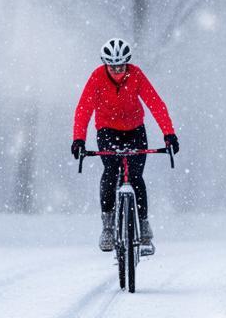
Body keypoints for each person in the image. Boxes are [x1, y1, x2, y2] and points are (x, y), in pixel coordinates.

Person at [72, 38, 179, 253]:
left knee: (136, 176)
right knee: (110, 172)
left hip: (135, 131)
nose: (117, 70)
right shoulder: (97, 78)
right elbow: (83, 109)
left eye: (121, 66)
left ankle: (144, 226)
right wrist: (79, 139)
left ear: (127, 63)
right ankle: (108, 227)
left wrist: (169, 134)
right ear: (106, 64)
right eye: (112, 66)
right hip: (107, 130)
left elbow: (155, 103)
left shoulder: (136, 75)